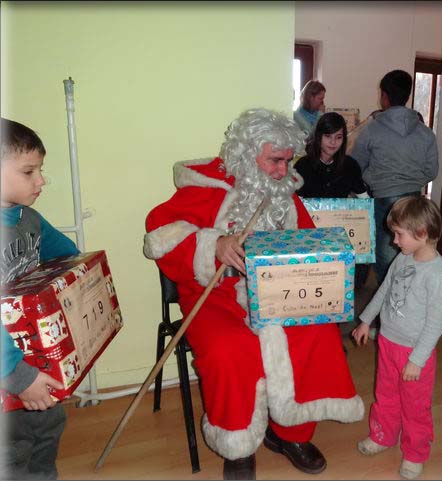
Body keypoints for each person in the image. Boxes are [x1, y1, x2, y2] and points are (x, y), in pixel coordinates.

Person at [143, 108, 364, 480]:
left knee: (318, 334)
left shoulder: (283, 193)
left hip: (279, 293)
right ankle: (240, 445)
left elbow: (308, 244)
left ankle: (290, 432)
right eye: (274, 161)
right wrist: (213, 244)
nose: (283, 171)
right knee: (230, 349)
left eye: (287, 160)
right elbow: (158, 233)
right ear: (248, 154)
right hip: (215, 295)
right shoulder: (207, 187)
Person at [351, 196, 442, 480]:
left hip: (414, 354)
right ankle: (382, 436)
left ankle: (415, 452)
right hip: (388, 343)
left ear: (421, 234)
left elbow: (435, 325)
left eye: (399, 235)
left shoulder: (438, 276)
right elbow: (383, 291)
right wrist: (366, 320)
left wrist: (417, 360)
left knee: (415, 406)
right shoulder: (403, 258)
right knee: (385, 395)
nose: (395, 241)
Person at [1, 117, 80, 479]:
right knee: (11, 451)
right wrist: (17, 376)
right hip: (10, 371)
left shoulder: (28, 218)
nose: (41, 180)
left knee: (49, 426)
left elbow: (66, 255)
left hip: (32, 360)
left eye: (40, 170)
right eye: (29, 171)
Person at [350, 69, 439, 285]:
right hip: (415, 203)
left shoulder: (371, 130)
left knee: (386, 262)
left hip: (383, 201)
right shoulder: (425, 132)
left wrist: (373, 178)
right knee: (412, 257)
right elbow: (431, 171)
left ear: (384, 96)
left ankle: (389, 312)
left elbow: (355, 165)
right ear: (407, 96)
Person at [294, 111, 370, 290]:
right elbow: (294, 203)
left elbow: (363, 198)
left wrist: (367, 226)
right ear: (318, 136)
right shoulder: (303, 166)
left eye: (338, 137)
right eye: (328, 136)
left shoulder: (350, 165)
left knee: (338, 286)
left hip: (339, 237)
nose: (333, 142)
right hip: (310, 236)